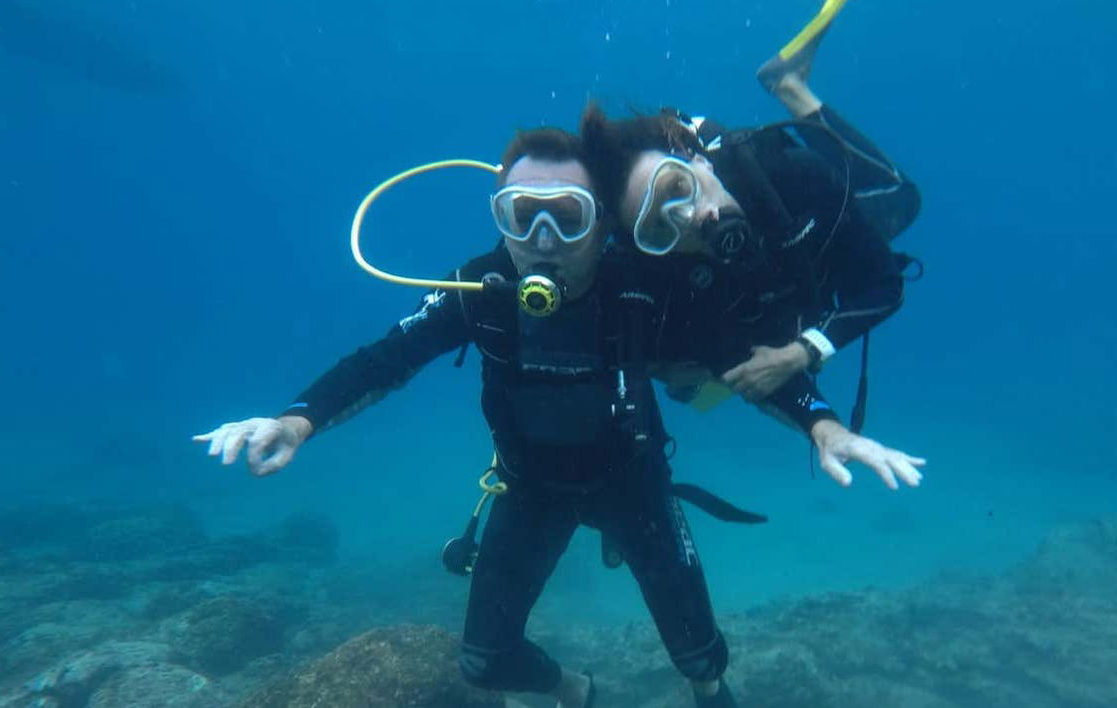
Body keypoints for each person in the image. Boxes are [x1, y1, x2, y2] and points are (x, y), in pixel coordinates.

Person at [194, 127, 923, 708]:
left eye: (565, 216)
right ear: (499, 221)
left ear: (602, 224)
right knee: (484, 662)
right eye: (523, 216)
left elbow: (745, 363)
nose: (543, 238)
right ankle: (575, 692)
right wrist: (295, 422)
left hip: (631, 480)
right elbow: (389, 358)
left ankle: (707, 692)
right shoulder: (479, 289)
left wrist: (827, 427)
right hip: (529, 488)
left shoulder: (643, 291)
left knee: (700, 655)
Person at [581, 24, 921, 421]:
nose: (692, 218)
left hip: (807, 240)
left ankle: (790, 86)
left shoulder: (792, 177)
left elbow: (883, 286)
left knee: (902, 199)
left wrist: (803, 351)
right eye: (659, 229)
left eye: (679, 188)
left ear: (699, 161)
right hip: (776, 302)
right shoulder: (658, 273)